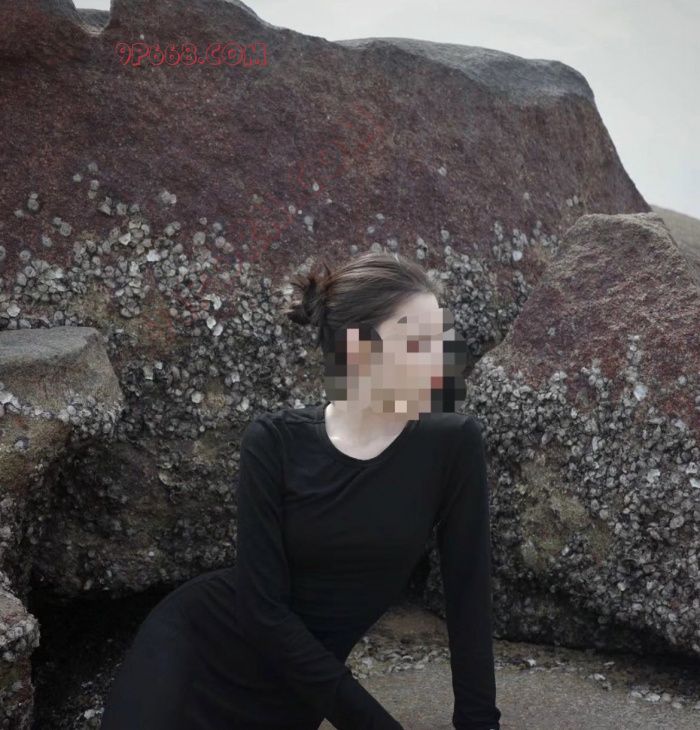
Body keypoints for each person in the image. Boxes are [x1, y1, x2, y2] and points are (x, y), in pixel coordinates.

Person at [100, 251, 502, 730]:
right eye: (419, 342)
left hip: (296, 694)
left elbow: (468, 596)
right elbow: (263, 611)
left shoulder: (452, 444)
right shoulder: (274, 441)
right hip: (192, 654)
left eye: (442, 340)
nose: (441, 359)